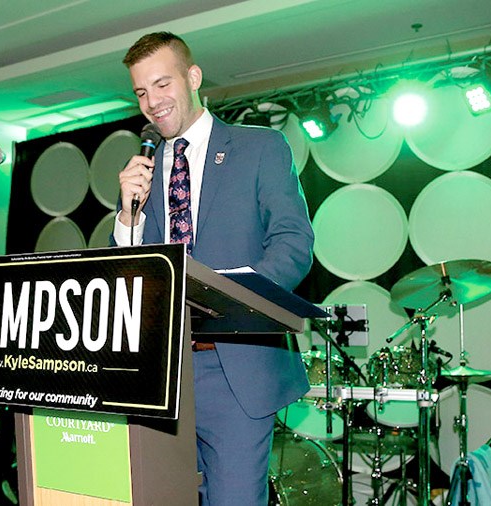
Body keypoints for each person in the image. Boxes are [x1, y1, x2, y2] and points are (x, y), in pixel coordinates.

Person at [114, 32, 314, 505]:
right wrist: (127, 217)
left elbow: (293, 242)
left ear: (194, 77)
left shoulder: (260, 147)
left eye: (162, 84)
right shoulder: (140, 170)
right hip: (158, 377)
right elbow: (126, 273)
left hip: (234, 369)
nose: (152, 102)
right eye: (141, 92)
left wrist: (231, 301)